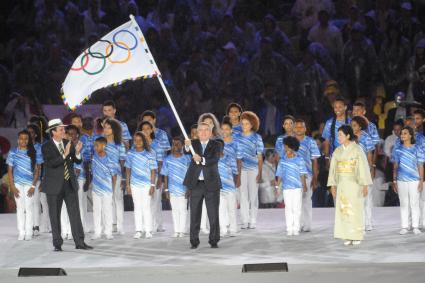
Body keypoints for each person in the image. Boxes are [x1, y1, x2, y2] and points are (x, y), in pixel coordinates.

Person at [41, 119, 92, 251]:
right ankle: (57, 244)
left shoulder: (67, 143)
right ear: (53, 132)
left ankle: (80, 242)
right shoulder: (46, 146)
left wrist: (77, 152)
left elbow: (76, 160)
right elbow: (52, 163)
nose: (64, 131)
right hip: (53, 186)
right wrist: (65, 154)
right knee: (54, 214)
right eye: (61, 129)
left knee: (75, 213)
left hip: (69, 183)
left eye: (63, 129)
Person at [328, 125, 372, 246]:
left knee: (356, 209)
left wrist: (364, 185)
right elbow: (333, 169)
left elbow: (363, 167)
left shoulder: (357, 149)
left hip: (355, 183)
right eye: (338, 135)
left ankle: (356, 235)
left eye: (341, 135)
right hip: (342, 184)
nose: (339, 137)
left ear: (348, 135)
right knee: (344, 209)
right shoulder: (337, 151)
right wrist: (333, 185)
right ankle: (347, 234)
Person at [183, 122, 222, 249]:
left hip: (211, 184)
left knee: (213, 213)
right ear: (197, 132)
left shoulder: (216, 144)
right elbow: (186, 150)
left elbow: (214, 159)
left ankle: (214, 240)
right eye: (201, 130)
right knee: (194, 213)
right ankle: (194, 241)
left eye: (206, 130)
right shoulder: (193, 143)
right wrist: (187, 146)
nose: (204, 132)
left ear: (210, 132)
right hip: (196, 184)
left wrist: (201, 159)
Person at [140, 110, 171, 233]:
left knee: (156, 200)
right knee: (149, 200)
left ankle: (157, 224)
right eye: (145, 121)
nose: (147, 123)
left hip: (158, 171)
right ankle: (150, 224)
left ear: (154, 120)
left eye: (149, 120)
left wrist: (162, 175)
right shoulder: (139, 137)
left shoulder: (161, 135)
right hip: (143, 173)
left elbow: (164, 155)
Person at [7, 130, 40, 240]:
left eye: (26, 138)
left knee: (29, 207)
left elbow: (37, 171)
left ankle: (29, 231)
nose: (23, 141)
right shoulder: (13, 153)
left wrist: (33, 186)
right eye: (21, 138)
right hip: (17, 184)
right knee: (20, 208)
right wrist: (12, 186)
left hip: (29, 183)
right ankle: (21, 231)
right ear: (18, 140)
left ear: (28, 140)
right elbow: (10, 171)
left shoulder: (33, 152)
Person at [392, 126, 424, 235]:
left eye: (405, 133)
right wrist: (394, 180)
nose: (402, 135)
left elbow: (420, 165)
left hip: (415, 180)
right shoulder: (397, 149)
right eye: (401, 133)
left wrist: (421, 181)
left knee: (414, 203)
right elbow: (395, 166)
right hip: (401, 180)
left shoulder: (417, 148)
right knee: (404, 203)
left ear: (410, 135)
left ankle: (415, 226)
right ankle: (404, 226)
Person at [125, 132, 157, 239]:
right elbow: (128, 170)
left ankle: (148, 230)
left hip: (146, 184)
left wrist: (152, 185)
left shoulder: (149, 154)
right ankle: (138, 230)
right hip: (134, 185)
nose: (137, 142)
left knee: (146, 207)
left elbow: (153, 171)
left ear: (144, 141)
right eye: (135, 140)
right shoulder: (130, 154)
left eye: (140, 140)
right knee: (137, 207)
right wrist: (128, 185)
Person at [275, 136, 308, 236]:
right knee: (288, 208)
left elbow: (302, 174)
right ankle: (289, 228)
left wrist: (304, 185)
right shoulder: (282, 161)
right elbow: (279, 175)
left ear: (293, 147)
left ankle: (296, 227)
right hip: (286, 188)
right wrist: (277, 187)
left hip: (297, 187)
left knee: (297, 208)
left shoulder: (299, 160)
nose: (286, 149)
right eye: (285, 147)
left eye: (288, 147)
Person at [236, 111, 264, 229]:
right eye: (242, 124)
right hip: (241, 169)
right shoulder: (237, 137)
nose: (244, 126)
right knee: (243, 195)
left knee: (253, 195)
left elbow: (260, 156)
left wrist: (260, 172)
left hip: (253, 169)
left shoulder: (257, 138)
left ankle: (253, 219)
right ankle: (245, 220)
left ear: (252, 124)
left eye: (247, 124)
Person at [161, 136, 190, 238]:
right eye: (174, 144)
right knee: (174, 210)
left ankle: (182, 230)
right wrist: (166, 189)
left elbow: (190, 175)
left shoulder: (187, 159)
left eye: (178, 144)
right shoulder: (167, 159)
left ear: (182, 145)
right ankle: (176, 230)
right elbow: (165, 175)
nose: (175, 146)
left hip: (183, 189)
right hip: (172, 189)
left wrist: (189, 188)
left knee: (182, 210)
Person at [294, 119, 320, 232]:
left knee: (306, 199)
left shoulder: (311, 142)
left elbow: (314, 161)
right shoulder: (289, 141)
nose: (299, 129)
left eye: (301, 127)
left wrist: (315, 178)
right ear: (294, 129)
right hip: (293, 175)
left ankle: (307, 224)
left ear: (305, 129)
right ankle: (297, 224)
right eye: (297, 127)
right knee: (295, 201)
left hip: (307, 175)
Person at [351, 116, 375, 231]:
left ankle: (368, 222)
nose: (352, 127)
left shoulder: (366, 138)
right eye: (352, 125)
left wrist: (370, 169)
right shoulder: (349, 138)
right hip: (353, 171)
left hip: (364, 170)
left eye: (354, 125)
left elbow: (370, 155)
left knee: (367, 197)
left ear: (360, 126)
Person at [103, 118, 126, 235]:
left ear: (114, 129)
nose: (106, 130)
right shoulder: (101, 143)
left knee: (117, 199)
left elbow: (122, 161)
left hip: (116, 174)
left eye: (109, 127)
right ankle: (111, 223)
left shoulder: (119, 144)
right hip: (103, 175)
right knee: (108, 199)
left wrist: (123, 178)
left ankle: (120, 225)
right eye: (105, 127)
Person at [91, 136, 116, 240]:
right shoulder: (94, 158)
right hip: (96, 189)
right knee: (96, 210)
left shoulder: (110, 159)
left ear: (104, 145)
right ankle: (97, 231)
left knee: (107, 210)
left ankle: (108, 232)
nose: (95, 147)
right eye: (95, 146)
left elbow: (114, 176)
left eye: (97, 145)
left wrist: (112, 189)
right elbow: (92, 172)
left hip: (107, 189)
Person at [26, 123, 46, 236]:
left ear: (35, 134)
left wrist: (42, 179)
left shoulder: (39, 147)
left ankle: (36, 226)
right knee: (27, 203)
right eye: (28, 132)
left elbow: (42, 165)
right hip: (24, 178)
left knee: (36, 202)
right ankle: (29, 224)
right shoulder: (23, 145)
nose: (29, 134)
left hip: (37, 178)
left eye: (32, 132)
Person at [217, 139, 238, 237]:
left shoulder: (230, 158)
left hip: (230, 189)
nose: (218, 148)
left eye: (220, 146)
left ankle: (233, 229)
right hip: (219, 189)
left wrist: (233, 184)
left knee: (231, 210)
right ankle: (223, 229)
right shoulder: (212, 160)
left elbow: (235, 173)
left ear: (223, 146)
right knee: (221, 210)